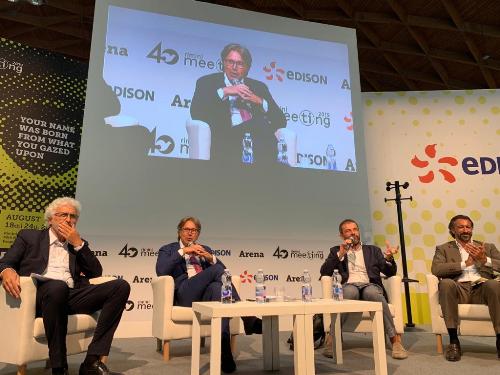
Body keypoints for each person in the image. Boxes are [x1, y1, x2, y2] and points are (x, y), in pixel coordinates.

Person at [0, 197, 130, 375]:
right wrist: (6, 270)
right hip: (41, 295)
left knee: (120, 286)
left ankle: (91, 361)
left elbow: (95, 272)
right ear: (51, 218)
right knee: (57, 287)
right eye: (63, 215)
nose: (69, 220)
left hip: (71, 294)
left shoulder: (77, 243)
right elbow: (6, 262)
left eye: (73, 216)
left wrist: (78, 244)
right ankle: (59, 367)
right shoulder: (29, 236)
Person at [155, 216, 262, 373]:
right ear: (179, 231)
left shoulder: (205, 249)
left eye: (194, 230)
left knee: (220, 290)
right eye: (186, 229)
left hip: (205, 295)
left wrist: (209, 257)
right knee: (217, 271)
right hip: (185, 293)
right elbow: (161, 270)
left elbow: (226, 274)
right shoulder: (168, 249)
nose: (190, 233)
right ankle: (248, 318)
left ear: (198, 234)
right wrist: (184, 251)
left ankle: (225, 355)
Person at [320, 219, 408, 360]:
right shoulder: (336, 250)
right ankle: (332, 338)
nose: (353, 232)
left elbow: (390, 273)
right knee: (349, 292)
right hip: (349, 285)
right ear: (342, 235)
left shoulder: (373, 250)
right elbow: (325, 272)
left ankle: (394, 340)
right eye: (348, 230)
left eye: (355, 229)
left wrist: (389, 258)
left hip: (369, 285)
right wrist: (341, 255)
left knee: (373, 293)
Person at [190, 43, 286, 164]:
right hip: (225, 138)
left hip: (257, 138)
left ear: (247, 68)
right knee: (260, 125)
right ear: (224, 63)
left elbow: (281, 120)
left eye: (240, 64)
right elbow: (196, 113)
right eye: (230, 62)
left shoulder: (259, 87)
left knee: (261, 125)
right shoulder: (207, 82)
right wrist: (224, 91)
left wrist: (259, 101)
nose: (234, 67)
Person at [431, 214, 500, 361]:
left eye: (468, 227)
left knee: (493, 284)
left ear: (472, 229)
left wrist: (485, 260)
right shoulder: (443, 248)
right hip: (458, 289)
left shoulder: (487, 247)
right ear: (452, 230)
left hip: (482, 288)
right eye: (460, 227)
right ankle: (454, 342)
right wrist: (465, 264)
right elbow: (436, 270)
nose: (465, 230)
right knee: (445, 283)